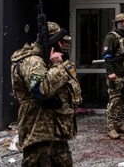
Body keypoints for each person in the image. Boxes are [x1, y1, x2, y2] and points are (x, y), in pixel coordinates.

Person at [10, 21, 82, 167]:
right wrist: (57, 66)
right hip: (38, 132)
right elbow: (41, 90)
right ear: (51, 42)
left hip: (56, 131)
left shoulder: (47, 61)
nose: (63, 46)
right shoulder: (32, 62)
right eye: (60, 42)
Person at [101, 13, 124, 139]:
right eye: (123, 22)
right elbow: (107, 57)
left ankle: (119, 123)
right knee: (114, 101)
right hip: (117, 75)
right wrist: (110, 72)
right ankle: (111, 127)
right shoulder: (111, 37)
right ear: (117, 23)